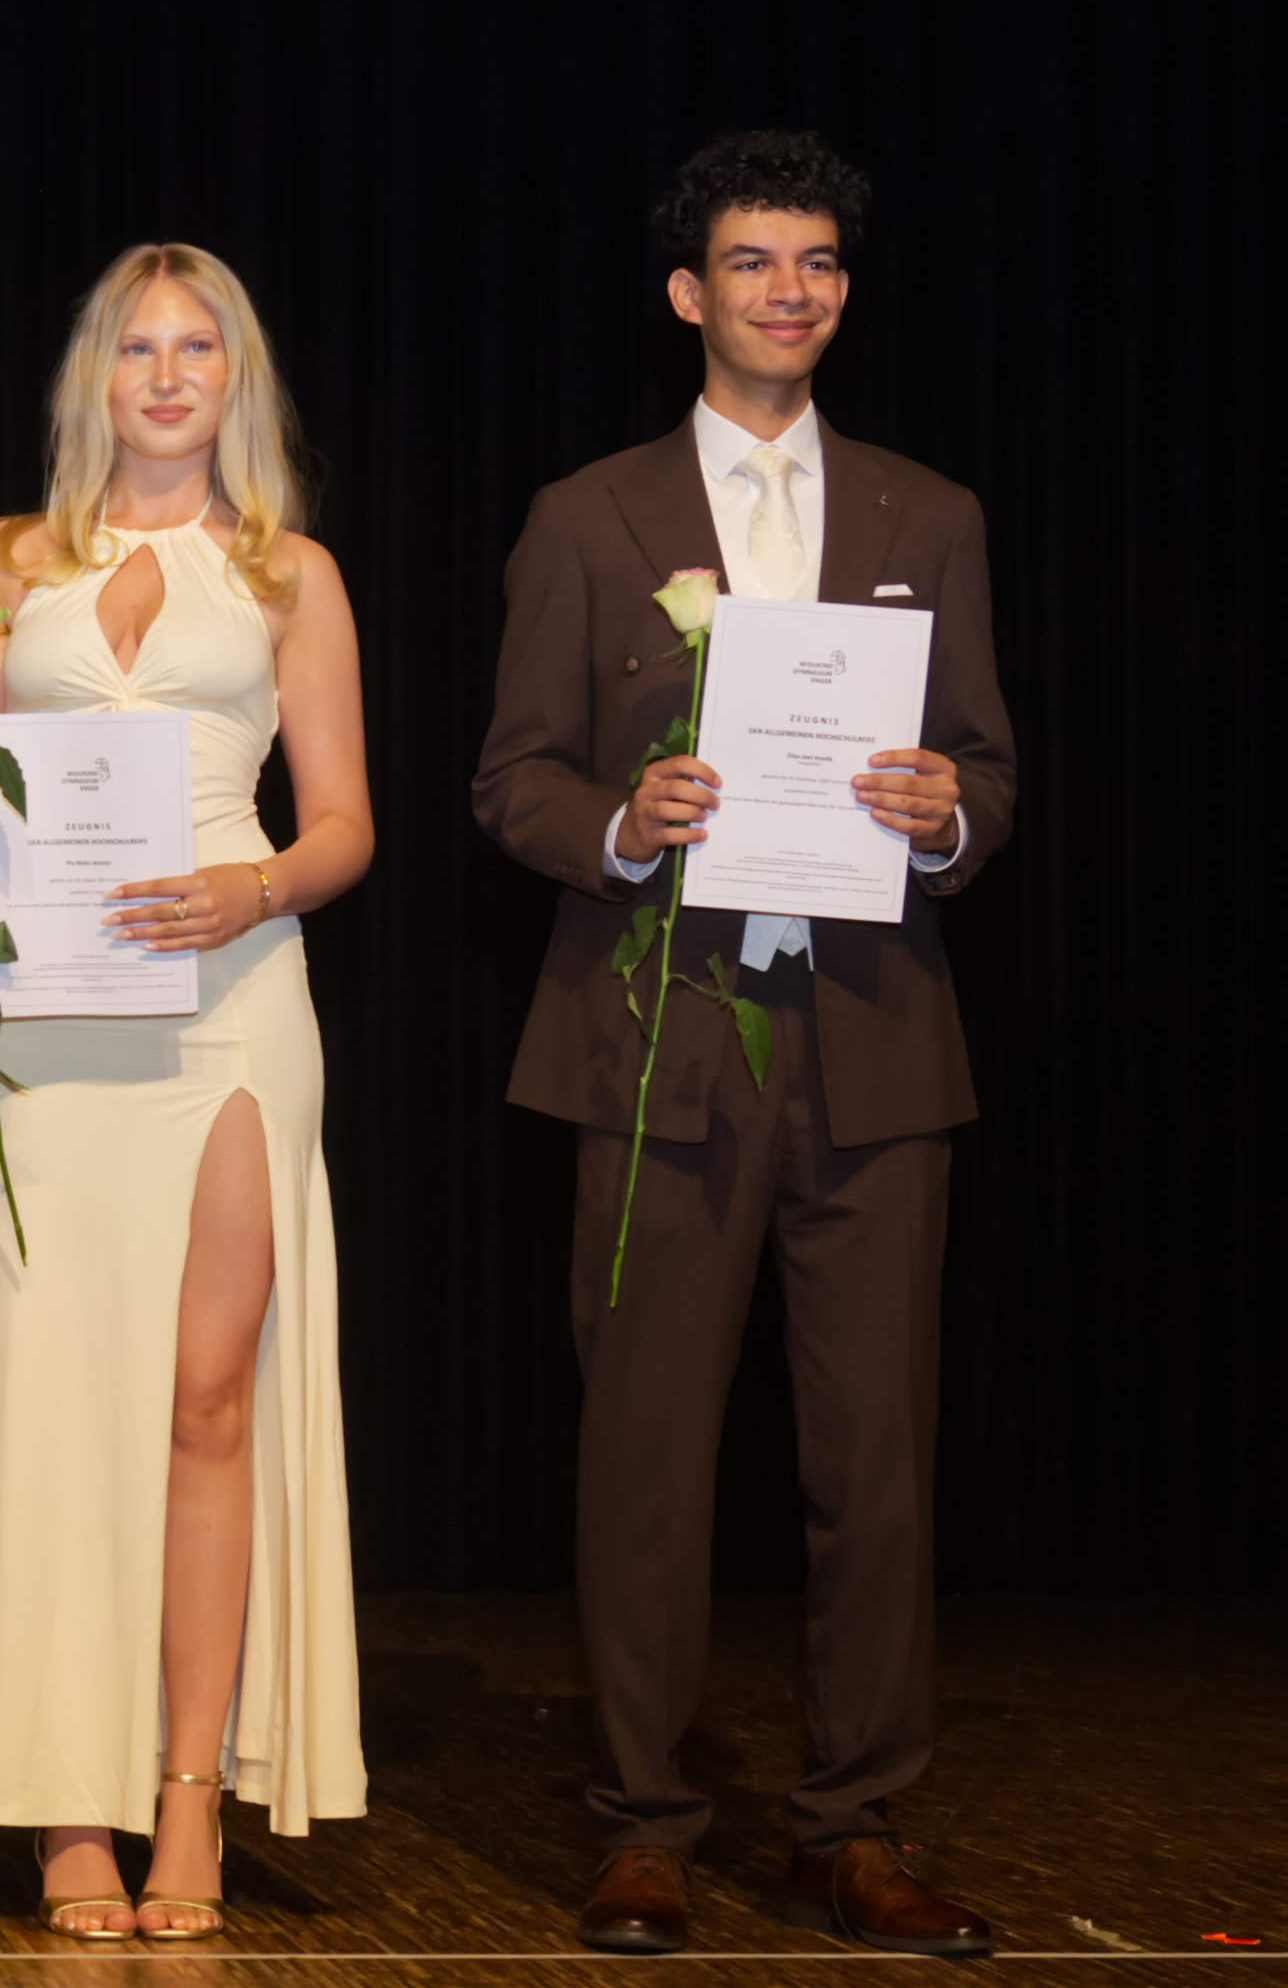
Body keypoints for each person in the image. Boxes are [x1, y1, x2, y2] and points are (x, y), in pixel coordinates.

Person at [471, 130, 1016, 1958]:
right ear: (688, 293)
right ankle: (645, 1825)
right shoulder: (591, 516)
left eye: (820, 263)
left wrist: (948, 811)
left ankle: (853, 1826)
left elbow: (992, 771)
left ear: (844, 294)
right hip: (656, 1045)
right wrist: (626, 823)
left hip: (875, 1044)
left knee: (879, 1467)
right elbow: (512, 781)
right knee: (644, 1458)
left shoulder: (929, 515)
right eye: (756, 262)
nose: (792, 291)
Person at [0, 243, 372, 1940]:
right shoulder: (6, 563)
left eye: (199, 349)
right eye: (136, 349)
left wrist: (255, 887)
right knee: (56, 1404)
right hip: (46, 1021)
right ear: (91, 377)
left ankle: (187, 1791)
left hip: (229, 1005)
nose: (167, 378)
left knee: (206, 1401)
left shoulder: (289, 572)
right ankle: (63, 1804)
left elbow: (345, 824)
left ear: (238, 379)